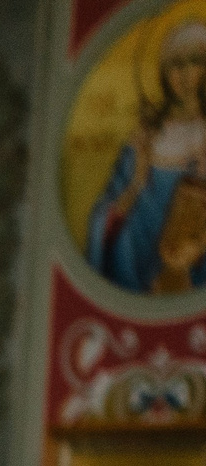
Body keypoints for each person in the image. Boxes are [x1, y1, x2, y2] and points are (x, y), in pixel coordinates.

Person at [88, 19, 206, 295]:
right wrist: (136, 183)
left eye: (194, 61)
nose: (185, 74)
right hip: (137, 258)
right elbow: (106, 213)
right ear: (164, 72)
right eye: (175, 65)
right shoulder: (145, 137)